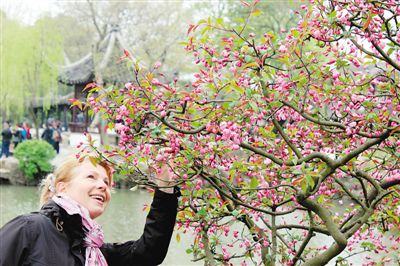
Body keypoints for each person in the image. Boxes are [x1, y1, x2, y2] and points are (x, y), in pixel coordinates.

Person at [0, 155, 180, 265]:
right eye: (91, 177)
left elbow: (149, 252)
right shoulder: (30, 229)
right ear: (62, 187)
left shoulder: (93, 251)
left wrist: (165, 187)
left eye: (106, 182)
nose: (102, 186)